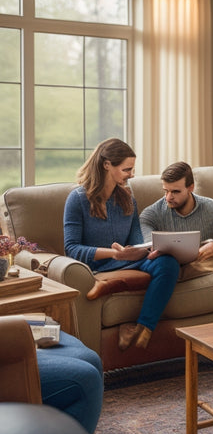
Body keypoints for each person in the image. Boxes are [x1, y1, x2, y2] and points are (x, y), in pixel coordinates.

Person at [63, 138, 180, 351]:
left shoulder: (128, 199)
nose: (132, 175)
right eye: (127, 169)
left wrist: (148, 249)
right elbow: (71, 248)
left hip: (130, 261)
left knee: (169, 263)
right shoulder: (77, 199)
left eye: (132, 169)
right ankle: (109, 285)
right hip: (99, 266)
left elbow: (136, 239)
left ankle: (144, 327)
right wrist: (113, 254)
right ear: (107, 165)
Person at [139, 162, 213, 276]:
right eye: (166, 191)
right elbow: (144, 236)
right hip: (168, 267)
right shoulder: (152, 213)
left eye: (175, 191)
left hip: (201, 264)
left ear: (191, 188)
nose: (168, 197)